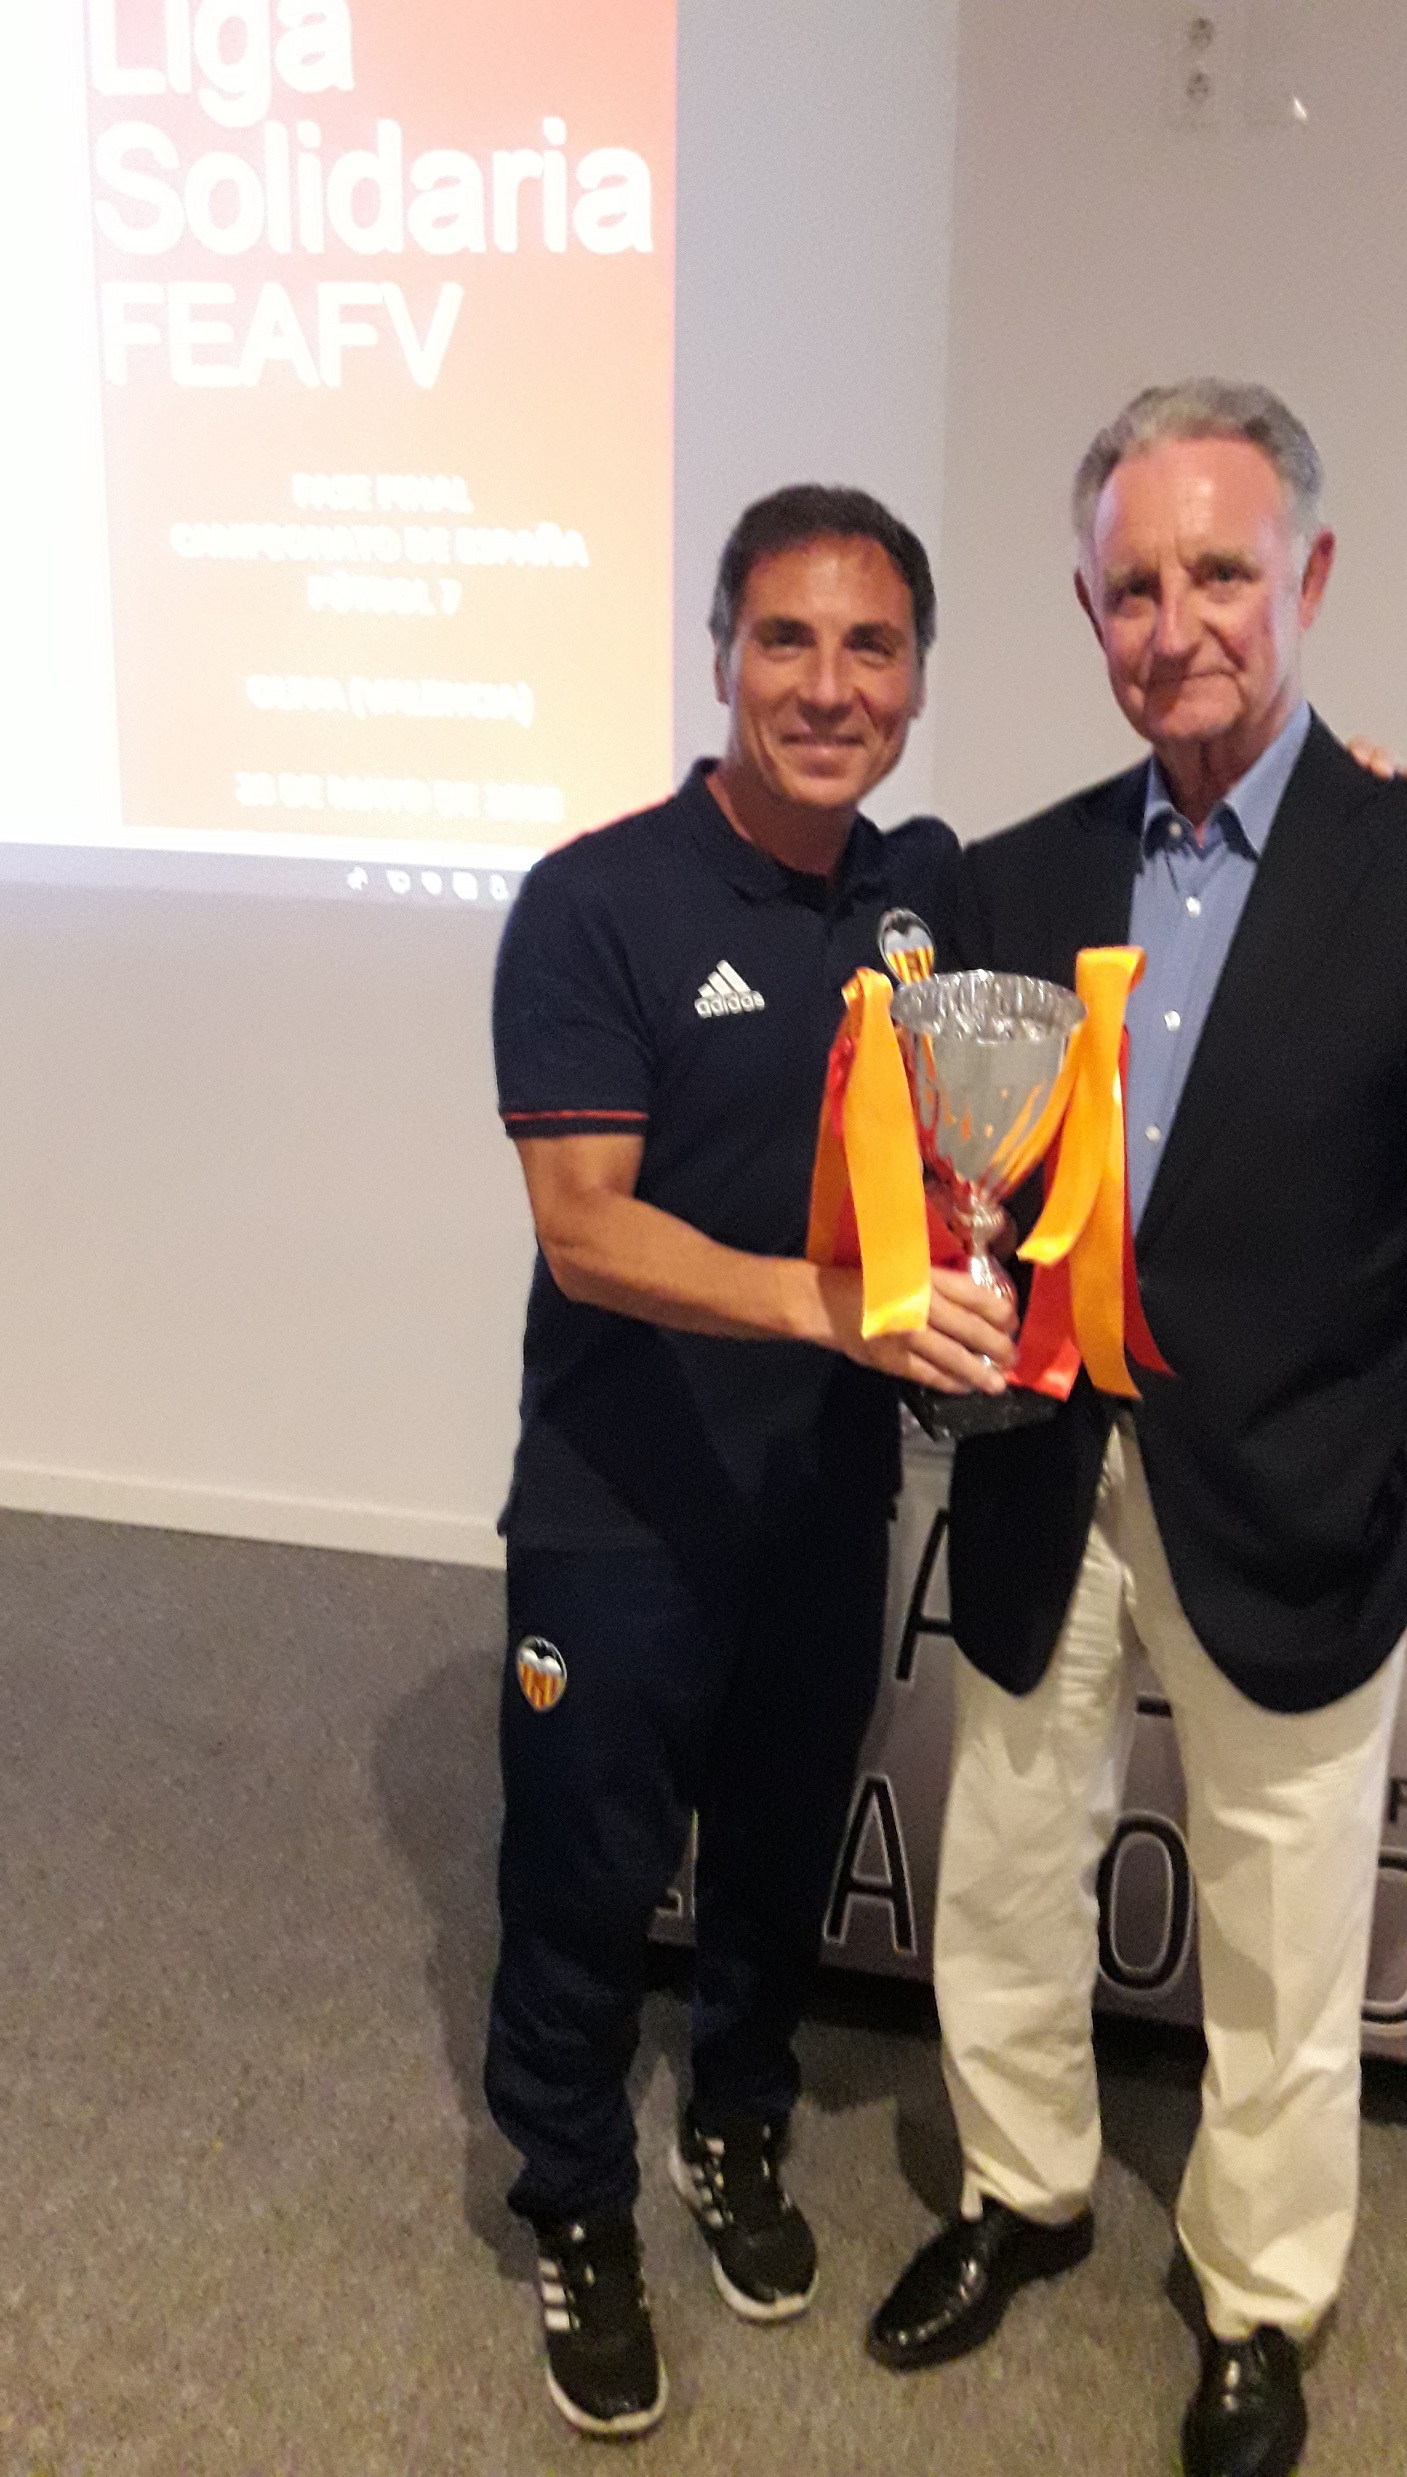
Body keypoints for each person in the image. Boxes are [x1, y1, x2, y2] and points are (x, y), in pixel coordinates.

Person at [867, 382, 1407, 2477]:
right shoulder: (1015, 877)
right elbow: (958, 1187)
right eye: (1129, 587)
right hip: (1040, 1476)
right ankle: (1019, 2191)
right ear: (1085, 608)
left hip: (1301, 1504)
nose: (1171, 624)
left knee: (1280, 1942)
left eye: (1217, 574)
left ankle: (1258, 2299)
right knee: (1006, 1870)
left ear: (1308, 577)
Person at [486, 484, 1013, 2439]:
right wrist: (825, 1307)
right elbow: (583, 1230)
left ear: (917, 680)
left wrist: (1332, 774)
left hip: (824, 1500)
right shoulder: (594, 902)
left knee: (779, 1859)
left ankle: (733, 2121)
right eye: (784, 638)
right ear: (721, 655)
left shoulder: (926, 891)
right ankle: (573, 2196)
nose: (825, 684)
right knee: (584, 1870)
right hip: (618, 1506)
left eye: (870, 647)